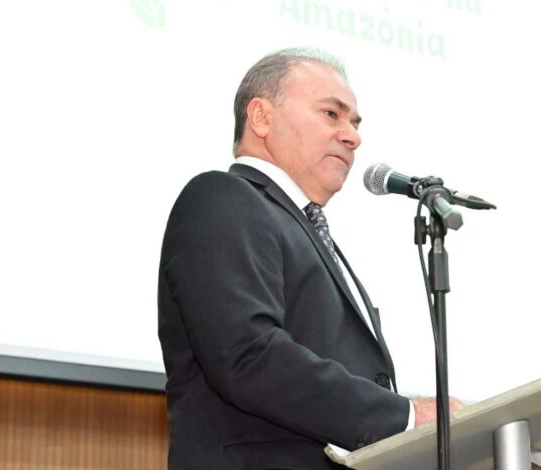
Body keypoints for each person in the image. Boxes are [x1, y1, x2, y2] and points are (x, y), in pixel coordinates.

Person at [158, 48, 458, 469]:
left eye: (355, 123)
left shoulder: (306, 228)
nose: (352, 137)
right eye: (331, 114)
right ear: (261, 117)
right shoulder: (222, 198)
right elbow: (249, 355)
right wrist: (406, 417)